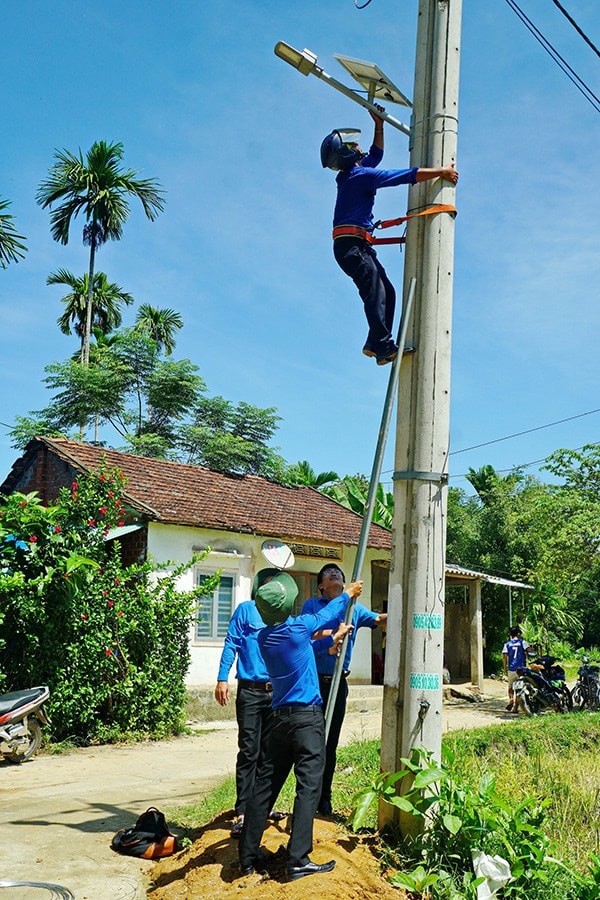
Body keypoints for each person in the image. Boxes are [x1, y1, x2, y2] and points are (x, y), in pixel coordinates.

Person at [238, 567, 362, 882]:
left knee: (265, 786)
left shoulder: (266, 637)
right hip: (306, 718)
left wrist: (331, 641)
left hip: (278, 721)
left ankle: (247, 857)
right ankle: (297, 859)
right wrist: (348, 595)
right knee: (309, 785)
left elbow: (303, 648)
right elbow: (324, 617)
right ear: (289, 605)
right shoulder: (301, 625)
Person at [321, 106, 459, 366]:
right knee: (375, 292)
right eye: (353, 145)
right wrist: (441, 171)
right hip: (352, 246)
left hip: (355, 245)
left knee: (388, 291)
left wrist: (379, 125)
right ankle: (383, 346)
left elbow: (376, 155)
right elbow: (402, 176)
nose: (359, 146)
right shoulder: (359, 176)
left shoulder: (351, 174)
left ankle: (375, 343)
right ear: (348, 154)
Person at [301, 563, 387, 816]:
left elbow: (378, 620)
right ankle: (307, 797)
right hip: (314, 681)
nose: (335, 573)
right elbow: (310, 634)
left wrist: (404, 611)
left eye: (338, 571)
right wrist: (334, 632)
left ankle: (324, 798)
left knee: (330, 743)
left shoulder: (354, 609)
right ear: (321, 586)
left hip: (339, 683)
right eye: (328, 573)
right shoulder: (312, 606)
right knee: (311, 742)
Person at [215, 600, 285, 837]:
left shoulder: (282, 614)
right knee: (248, 751)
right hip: (250, 691)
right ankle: (243, 811)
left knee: (269, 753)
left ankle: (263, 806)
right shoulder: (246, 610)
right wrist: (222, 677)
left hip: (275, 692)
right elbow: (231, 642)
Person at [502, 625, 534, 713]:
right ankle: (515, 707)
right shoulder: (522, 642)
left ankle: (511, 700)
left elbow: (504, 656)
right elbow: (529, 650)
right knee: (520, 689)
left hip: (511, 669)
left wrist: (505, 668)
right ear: (518, 634)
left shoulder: (507, 644)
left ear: (510, 634)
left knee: (511, 687)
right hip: (521, 669)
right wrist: (535, 652)